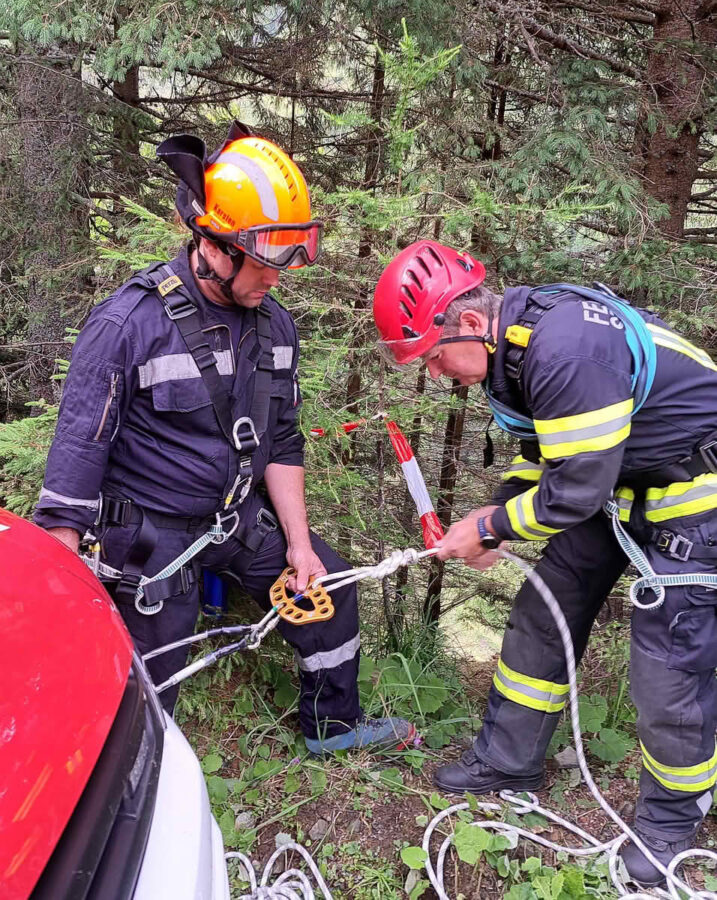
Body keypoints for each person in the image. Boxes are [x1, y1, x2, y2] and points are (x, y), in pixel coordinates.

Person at [34, 121, 414, 755]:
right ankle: (138, 775)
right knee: (155, 674)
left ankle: (333, 728)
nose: (275, 279)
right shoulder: (129, 324)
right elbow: (78, 451)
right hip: (148, 533)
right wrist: (64, 577)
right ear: (213, 247)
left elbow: (283, 442)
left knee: (330, 589)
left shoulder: (276, 328)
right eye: (263, 264)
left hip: (235, 520)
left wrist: (299, 545)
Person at [373, 238, 717, 886]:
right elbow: (546, 452)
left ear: (468, 321)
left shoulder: (565, 348)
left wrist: (491, 527)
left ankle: (671, 822)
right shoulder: (514, 354)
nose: (437, 374)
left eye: (436, 356)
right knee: (544, 611)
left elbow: (575, 488)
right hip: (619, 488)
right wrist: (498, 514)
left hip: (696, 495)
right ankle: (508, 761)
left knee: (667, 664)